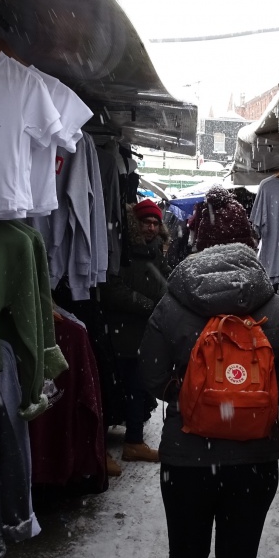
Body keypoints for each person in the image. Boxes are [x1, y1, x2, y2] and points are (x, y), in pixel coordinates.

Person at [139, 186, 279, 558]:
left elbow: (149, 373)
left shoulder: (173, 302)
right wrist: (250, 401)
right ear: (248, 242)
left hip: (187, 458)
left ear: (199, 242)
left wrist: (192, 399)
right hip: (253, 460)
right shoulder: (276, 307)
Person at [98, 198, 171, 472]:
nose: (150, 228)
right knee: (113, 389)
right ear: (135, 223)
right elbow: (112, 287)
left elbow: (165, 280)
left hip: (144, 333)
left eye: (154, 223)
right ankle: (101, 449)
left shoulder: (155, 251)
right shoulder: (121, 250)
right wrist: (146, 304)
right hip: (119, 333)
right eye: (145, 222)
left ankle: (134, 443)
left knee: (138, 389)